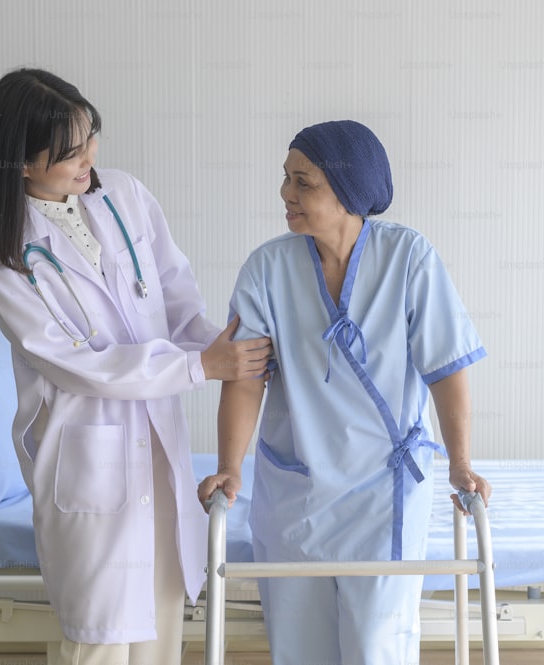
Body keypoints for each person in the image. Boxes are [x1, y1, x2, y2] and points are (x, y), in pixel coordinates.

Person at [0, 68, 271, 665]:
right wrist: (199, 369)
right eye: (70, 151)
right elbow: (78, 366)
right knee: (99, 645)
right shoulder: (4, 260)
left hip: (159, 453)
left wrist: (227, 351)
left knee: (159, 635)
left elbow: (179, 306)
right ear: (22, 164)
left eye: (91, 138)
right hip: (89, 469)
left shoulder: (125, 195)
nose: (90, 159)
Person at [197, 120, 491, 664]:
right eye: (285, 179)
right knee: (300, 650)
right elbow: (245, 377)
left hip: (384, 499)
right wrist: (230, 467)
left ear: (349, 190)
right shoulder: (267, 269)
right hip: (297, 495)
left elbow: (446, 369)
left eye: (303, 182)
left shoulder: (409, 259)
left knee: (375, 649)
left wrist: (460, 462)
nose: (286, 193)